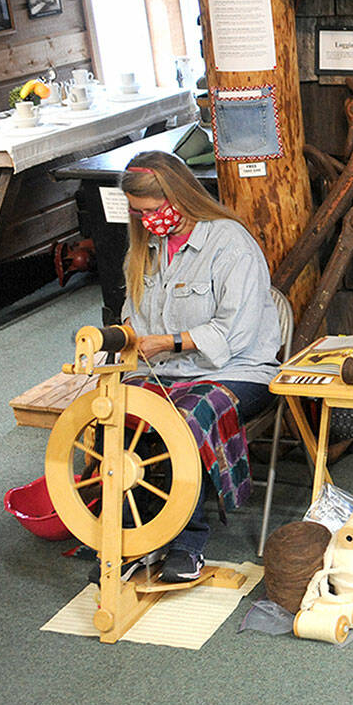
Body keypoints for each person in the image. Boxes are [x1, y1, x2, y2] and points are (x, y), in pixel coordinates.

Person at [117, 151, 281, 581]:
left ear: (179, 197)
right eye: (137, 212)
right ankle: (135, 533)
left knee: (186, 417)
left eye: (151, 210)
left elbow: (237, 334)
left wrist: (170, 341)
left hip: (238, 370)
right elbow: (133, 312)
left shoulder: (230, 243)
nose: (145, 219)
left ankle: (188, 541)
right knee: (117, 411)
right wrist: (128, 335)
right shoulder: (147, 248)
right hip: (166, 369)